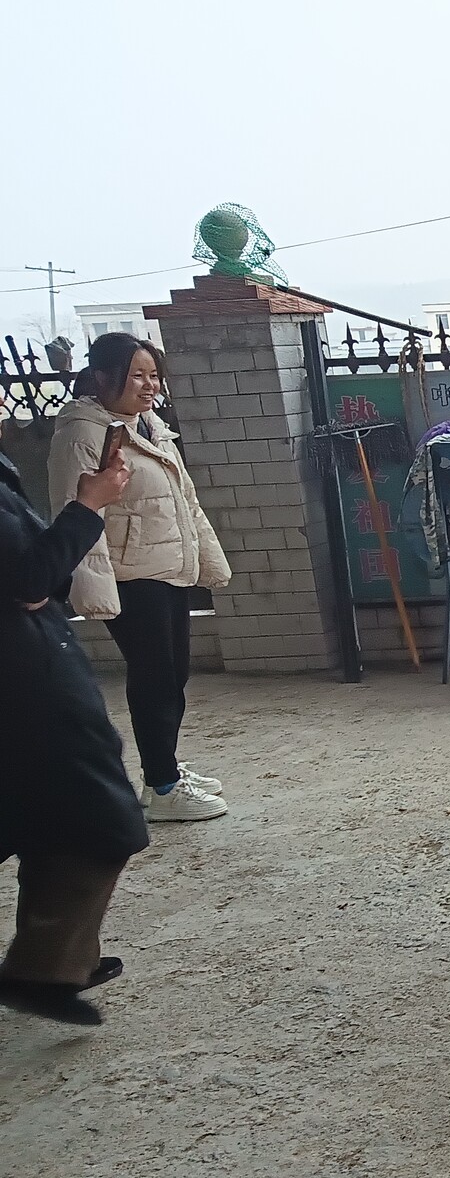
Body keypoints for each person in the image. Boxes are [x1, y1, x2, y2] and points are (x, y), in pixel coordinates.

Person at [50, 333, 232, 823]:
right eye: (136, 375)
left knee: (173, 675)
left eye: (153, 375)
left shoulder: (147, 424)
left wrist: (205, 558)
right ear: (103, 377)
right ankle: (163, 785)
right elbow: (76, 511)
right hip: (132, 576)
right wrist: (95, 590)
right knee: (154, 679)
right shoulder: (83, 433)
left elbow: (184, 501)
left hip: (169, 568)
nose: (148, 385)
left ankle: (165, 769)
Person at [1, 430, 149, 1027]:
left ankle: (53, 961)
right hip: (20, 676)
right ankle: (44, 967)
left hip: (29, 661)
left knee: (54, 812)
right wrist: (88, 505)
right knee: (97, 813)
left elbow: (33, 575)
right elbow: (29, 575)